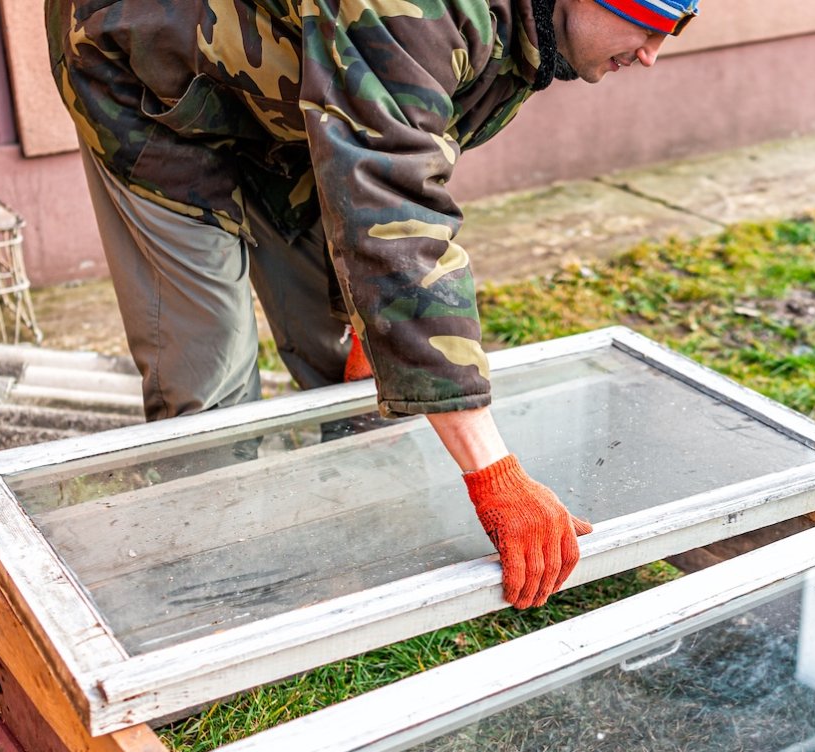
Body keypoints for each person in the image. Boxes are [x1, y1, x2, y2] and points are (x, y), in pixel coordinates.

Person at [45, 0, 701, 610]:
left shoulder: (530, 29)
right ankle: (212, 599)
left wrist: (377, 323)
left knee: (336, 345)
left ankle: (362, 544)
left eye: (681, 23)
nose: (653, 51)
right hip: (149, 73)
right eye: (649, 18)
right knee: (207, 369)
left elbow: (409, 150)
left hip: (299, 96)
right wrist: (495, 475)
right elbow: (393, 215)